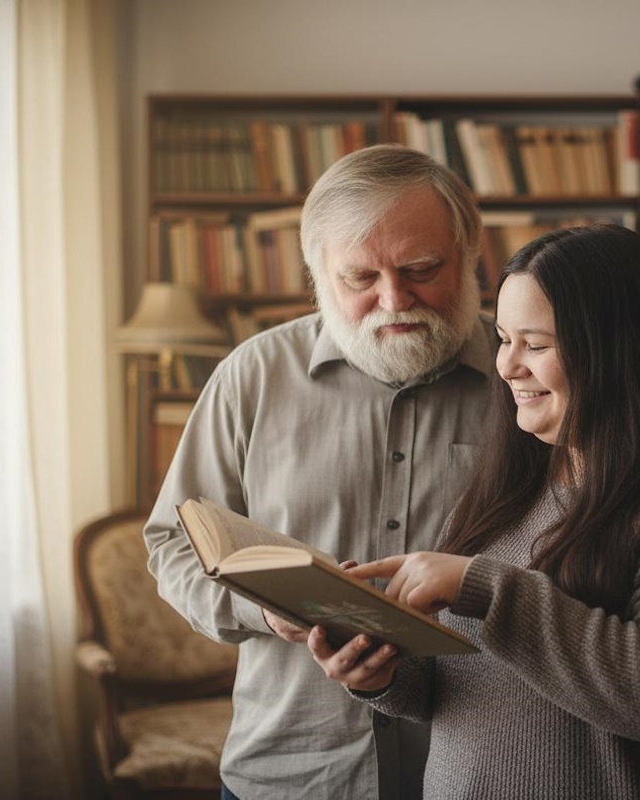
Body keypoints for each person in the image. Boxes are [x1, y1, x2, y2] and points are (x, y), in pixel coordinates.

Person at [307, 224, 640, 799]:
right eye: (503, 339)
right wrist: (383, 674)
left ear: (621, 351)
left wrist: (486, 589)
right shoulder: (515, 479)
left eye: (535, 344)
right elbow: (459, 685)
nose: (507, 367)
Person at [144, 144, 497, 799]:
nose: (394, 300)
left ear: (471, 249)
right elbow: (172, 542)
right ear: (317, 272)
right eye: (359, 278)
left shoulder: (525, 375)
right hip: (294, 769)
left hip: (478, 765)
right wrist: (258, 608)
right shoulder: (252, 377)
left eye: (422, 268)